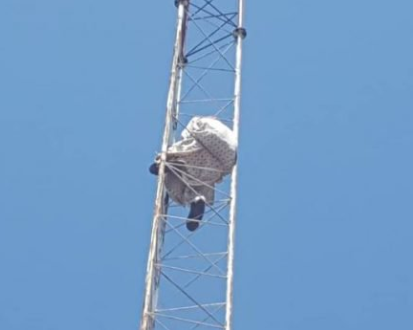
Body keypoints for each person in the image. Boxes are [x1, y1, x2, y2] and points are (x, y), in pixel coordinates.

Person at [149, 116, 237, 231]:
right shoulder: (227, 133)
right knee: (201, 180)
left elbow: (191, 132)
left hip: (209, 146)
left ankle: (171, 161)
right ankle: (196, 200)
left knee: (186, 153)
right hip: (226, 157)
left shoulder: (203, 120)